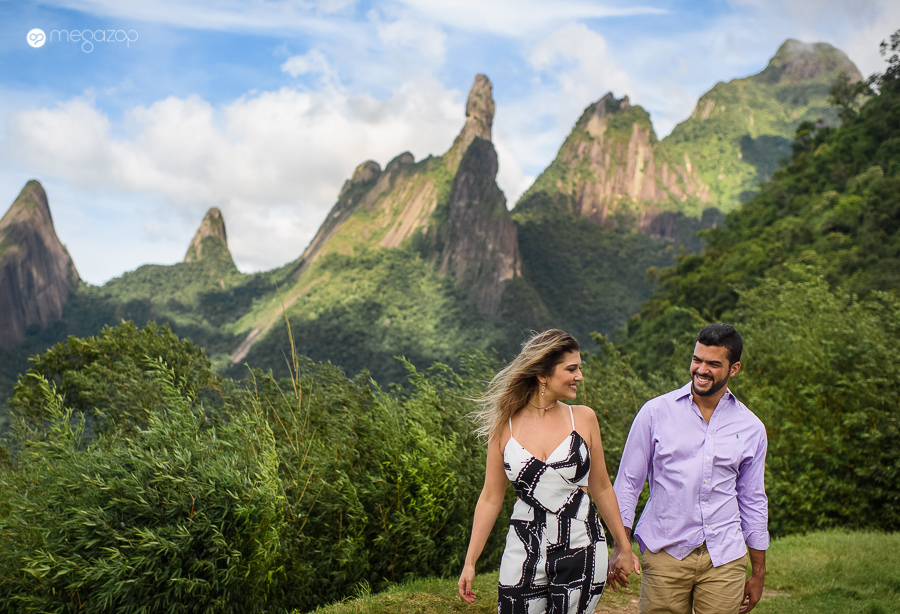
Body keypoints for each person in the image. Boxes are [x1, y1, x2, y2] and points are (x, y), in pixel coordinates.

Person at [458, 329, 637, 614]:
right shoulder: (504, 426)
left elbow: (602, 486)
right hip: (523, 547)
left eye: (579, 368)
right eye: (571, 369)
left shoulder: (583, 418)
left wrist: (623, 547)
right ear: (543, 374)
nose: (580, 376)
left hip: (582, 545)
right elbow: (491, 497)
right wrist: (470, 562)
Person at [614, 323, 769, 614]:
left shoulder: (751, 427)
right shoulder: (655, 413)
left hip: (725, 556)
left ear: (734, 369)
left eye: (714, 364)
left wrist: (758, 573)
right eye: (697, 360)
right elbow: (627, 485)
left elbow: (753, 500)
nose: (701, 370)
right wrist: (621, 547)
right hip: (665, 553)